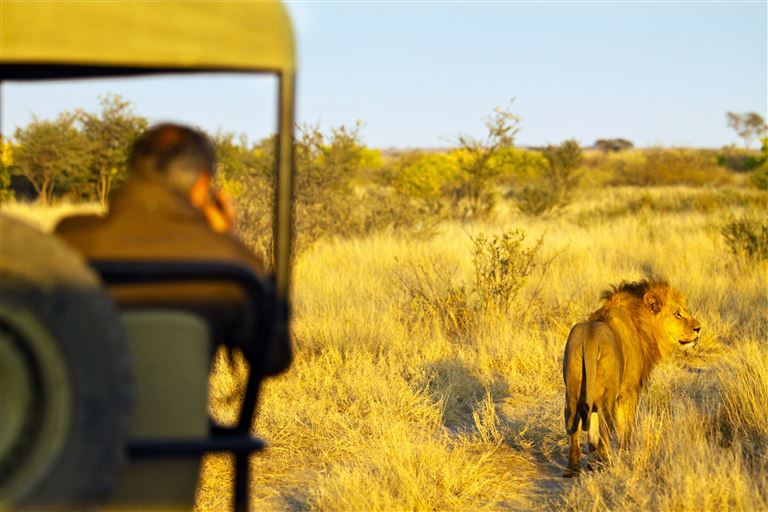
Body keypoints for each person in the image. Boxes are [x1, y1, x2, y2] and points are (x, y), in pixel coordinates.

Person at [56, 123, 289, 375]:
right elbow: (274, 360)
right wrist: (227, 238)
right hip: (181, 414)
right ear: (201, 186)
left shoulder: (68, 238)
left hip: (83, 413)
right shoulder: (231, 261)